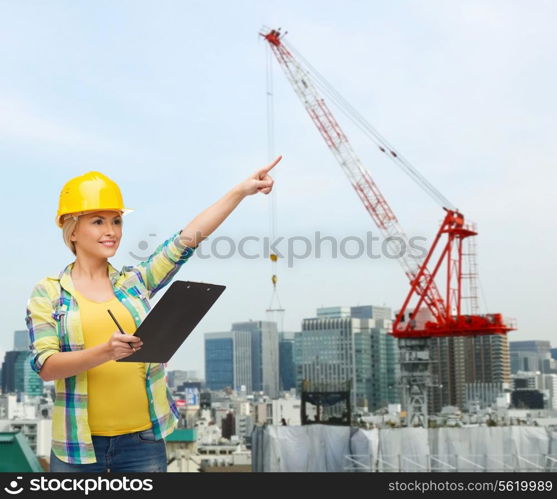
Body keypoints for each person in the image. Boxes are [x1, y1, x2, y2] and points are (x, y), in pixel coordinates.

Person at [26, 156, 281, 472]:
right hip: (79, 450)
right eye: (98, 221)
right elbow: (46, 367)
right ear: (72, 230)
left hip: (143, 444)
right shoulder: (49, 292)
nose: (112, 231)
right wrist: (105, 351)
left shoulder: (135, 283)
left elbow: (185, 241)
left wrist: (241, 191)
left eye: (116, 221)